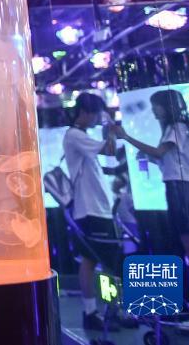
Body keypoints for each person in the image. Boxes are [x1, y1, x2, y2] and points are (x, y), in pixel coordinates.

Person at [115, 89, 189, 332]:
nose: (154, 111)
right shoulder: (182, 129)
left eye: (156, 105)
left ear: (167, 106)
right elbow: (167, 160)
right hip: (186, 191)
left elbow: (161, 154)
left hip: (182, 193)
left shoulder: (176, 127)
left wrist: (126, 137)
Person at [63, 92, 133, 331]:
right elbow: (110, 150)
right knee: (103, 261)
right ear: (85, 112)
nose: (96, 120)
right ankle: (104, 311)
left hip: (97, 209)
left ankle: (98, 311)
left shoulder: (80, 136)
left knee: (94, 260)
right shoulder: (74, 135)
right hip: (91, 210)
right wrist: (111, 131)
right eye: (95, 114)